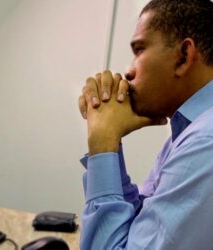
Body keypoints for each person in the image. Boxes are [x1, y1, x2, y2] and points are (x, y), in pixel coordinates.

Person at [78, 0, 213, 249]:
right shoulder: (188, 133)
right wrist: (111, 142)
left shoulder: (205, 144)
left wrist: (102, 142)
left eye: (139, 50)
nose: (128, 71)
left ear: (184, 56)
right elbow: (143, 223)